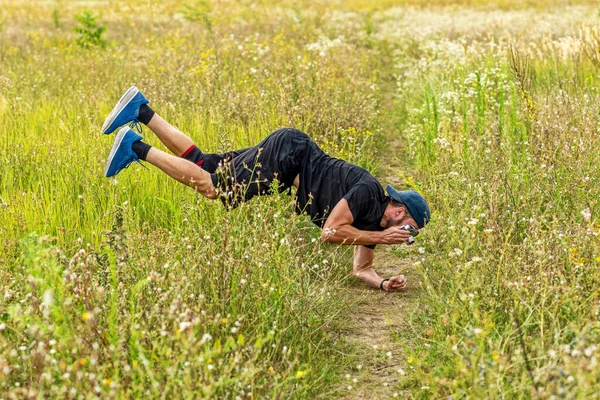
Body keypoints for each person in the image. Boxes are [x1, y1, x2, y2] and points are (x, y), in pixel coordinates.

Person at [101, 87, 431, 292]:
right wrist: (381, 238)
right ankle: (135, 147)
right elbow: (331, 231)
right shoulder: (369, 192)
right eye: (409, 231)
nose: (406, 238)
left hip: (288, 157)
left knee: (204, 166)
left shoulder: (373, 223)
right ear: (400, 212)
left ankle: (140, 110)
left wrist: (385, 282)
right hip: (291, 155)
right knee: (216, 189)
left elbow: (362, 269)